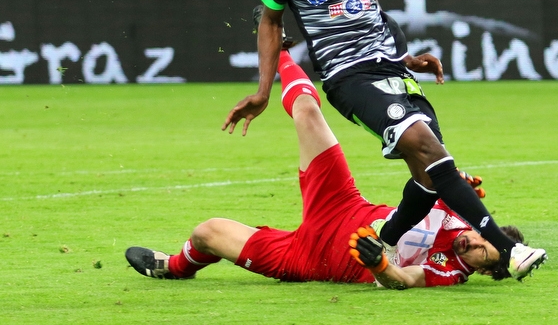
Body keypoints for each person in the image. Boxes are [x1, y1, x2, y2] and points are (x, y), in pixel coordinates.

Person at [224, 0, 546, 281]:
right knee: (428, 149)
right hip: (349, 77)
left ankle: (387, 236)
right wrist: (264, 90)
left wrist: (407, 58)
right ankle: (508, 248)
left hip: (393, 70)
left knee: (429, 176)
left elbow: (371, 13)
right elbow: (269, 22)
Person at [129, 53, 526, 287]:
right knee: (308, 111)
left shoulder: (450, 273)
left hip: (310, 258)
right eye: (479, 240)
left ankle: (177, 269)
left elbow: (403, 281)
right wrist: (455, 183)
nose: (470, 247)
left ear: (484, 270)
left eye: (479, 256)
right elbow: (429, 180)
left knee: (207, 232)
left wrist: (379, 263)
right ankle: (281, 51)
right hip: (341, 205)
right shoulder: (461, 215)